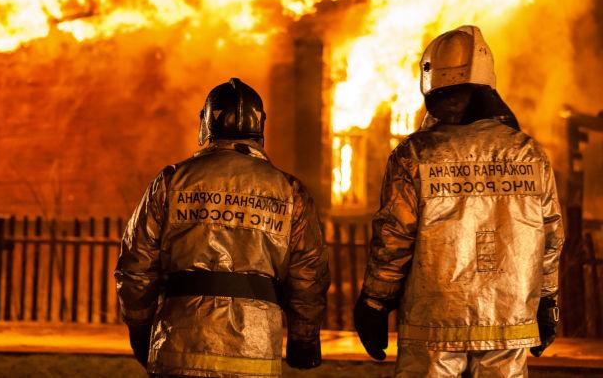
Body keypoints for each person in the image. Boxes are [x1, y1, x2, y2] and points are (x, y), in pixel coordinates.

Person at [353, 25, 564, 377]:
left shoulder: (415, 154)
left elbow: (394, 237)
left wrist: (375, 300)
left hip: (433, 327)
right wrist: (548, 300)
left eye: (449, 97)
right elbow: (551, 238)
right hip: (507, 323)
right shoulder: (529, 154)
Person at [115, 78, 330, 377]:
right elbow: (308, 273)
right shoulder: (289, 191)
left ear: (206, 123)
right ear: (260, 125)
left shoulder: (171, 181)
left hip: (180, 345)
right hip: (255, 351)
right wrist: (303, 336)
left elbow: (136, 265)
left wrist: (139, 327)